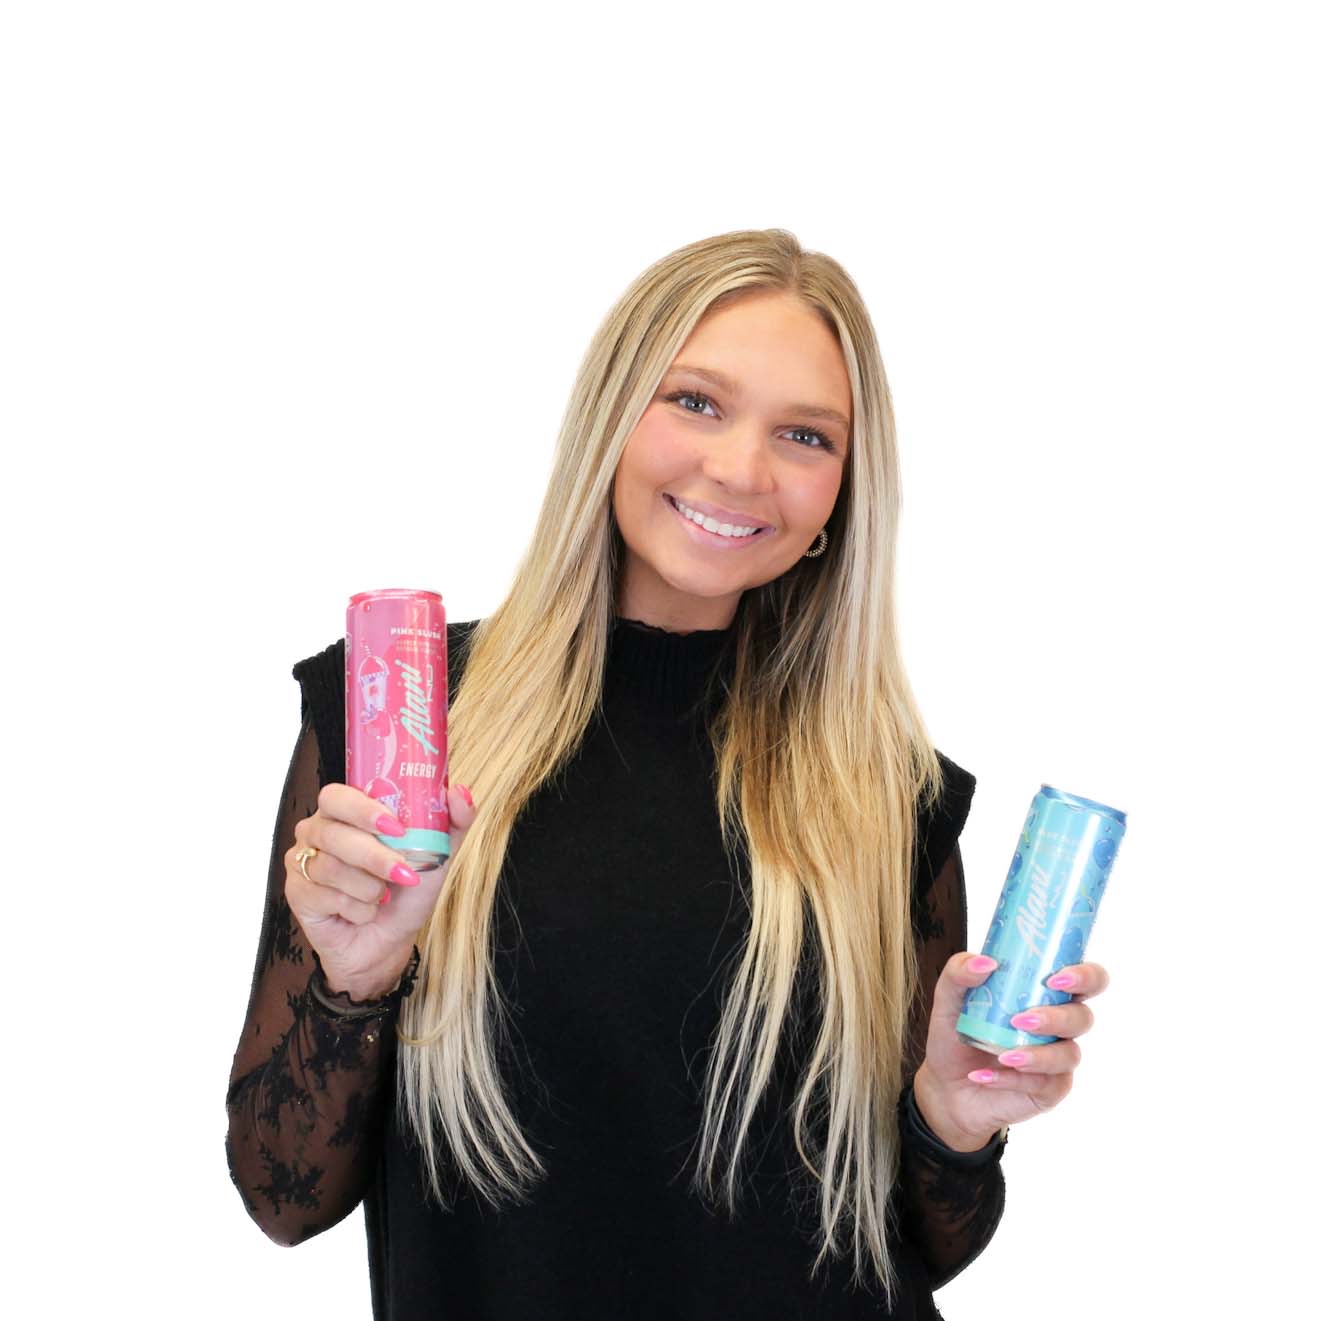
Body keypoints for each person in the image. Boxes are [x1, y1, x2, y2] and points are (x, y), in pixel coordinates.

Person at [225, 228, 1111, 1319]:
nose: (741, 468)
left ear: (841, 492)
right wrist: (349, 985)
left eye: (804, 434)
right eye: (695, 400)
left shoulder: (889, 792)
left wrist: (951, 1117)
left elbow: (916, 1247)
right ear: (611, 416)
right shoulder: (403, 720)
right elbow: (281, 1194)